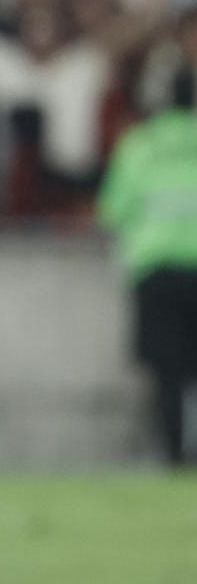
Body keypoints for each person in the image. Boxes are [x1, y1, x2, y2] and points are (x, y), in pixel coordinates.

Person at [97, 26, 197, 464]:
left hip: (156, 267)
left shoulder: (138, 146)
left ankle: (174, 456)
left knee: (167, 373)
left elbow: (112, 211)